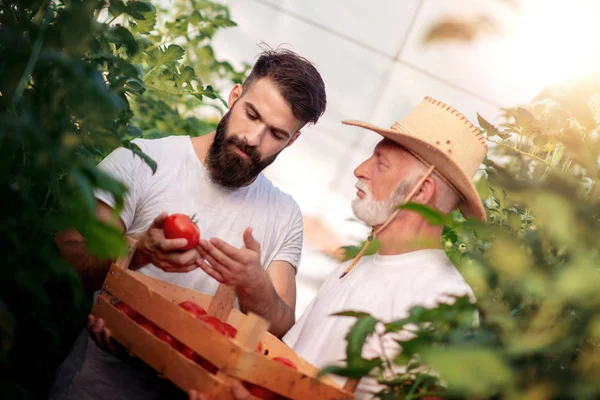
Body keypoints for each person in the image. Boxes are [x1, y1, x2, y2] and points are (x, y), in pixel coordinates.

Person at [49, 48, 327, 400]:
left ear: (293, 140)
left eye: (277, 133)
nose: (253, 138)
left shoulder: (284, 215)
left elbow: (281, 325)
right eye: (251, 114)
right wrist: (134, 251)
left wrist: (254, 285)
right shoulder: (143, 162)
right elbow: (62, 262)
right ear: (235, 95)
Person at [189, 96, 487, 400]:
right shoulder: (352, 269)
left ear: (421, 190)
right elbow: (288, 365)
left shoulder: (447, 298)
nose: (359, 169)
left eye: (380, 162)